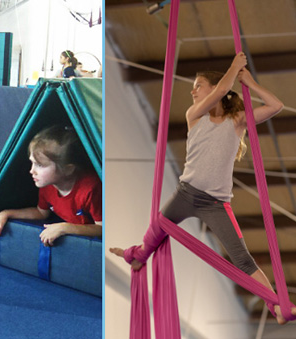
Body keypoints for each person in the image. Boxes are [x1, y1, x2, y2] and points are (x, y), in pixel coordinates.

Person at [110, 52, 296, 324]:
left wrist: (249, 81)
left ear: (214, 90)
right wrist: (234, 68)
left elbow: (276, 105)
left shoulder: (237, 121)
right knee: (156, 229)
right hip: (185, 194)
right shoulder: (194, 115)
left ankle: (277, 307)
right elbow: (223, 88)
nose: (192, 90)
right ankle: (138, 257)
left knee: (243, 260)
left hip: (217, 205)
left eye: (198, 85)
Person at [0, 125, 102, 246]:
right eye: (32, 163)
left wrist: (65, 228)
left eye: (40, 165)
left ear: (68, 169)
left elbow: (103, 229)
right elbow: (41, 212)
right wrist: (6, 213)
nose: (32, 171)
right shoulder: (47, 185)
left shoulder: (91, 189)